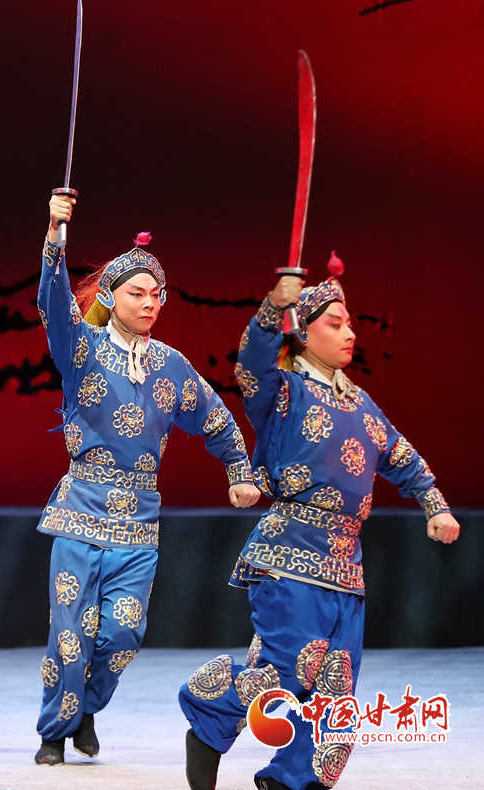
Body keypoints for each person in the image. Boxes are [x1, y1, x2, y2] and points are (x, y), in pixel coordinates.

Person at [178, 258, 461, 790]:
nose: (350, 332)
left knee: (336, 686)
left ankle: (292, 782)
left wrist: (435, 504)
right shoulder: (280, 392)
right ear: (303, 334)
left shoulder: (363, 403)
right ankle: (209, 709)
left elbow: (402, 457)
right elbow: (251, 362)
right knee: (289, 672)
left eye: (350, 323)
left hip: (346, 566)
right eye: (335, 323)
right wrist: (273, 307)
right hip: (290, 552)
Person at [33, 194, 261, 765]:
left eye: (157, 293)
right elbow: (54, 306)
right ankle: (54, 732)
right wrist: (56, 235)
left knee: (122, 637)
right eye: (137, 292)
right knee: (70, 636)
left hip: (139, 521)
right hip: (81, 511)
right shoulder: (81, 349)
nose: (150, 301)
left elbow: (214, 417)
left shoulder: (171, 365)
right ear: (110, 297)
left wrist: (237, 469)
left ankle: (86, 708)